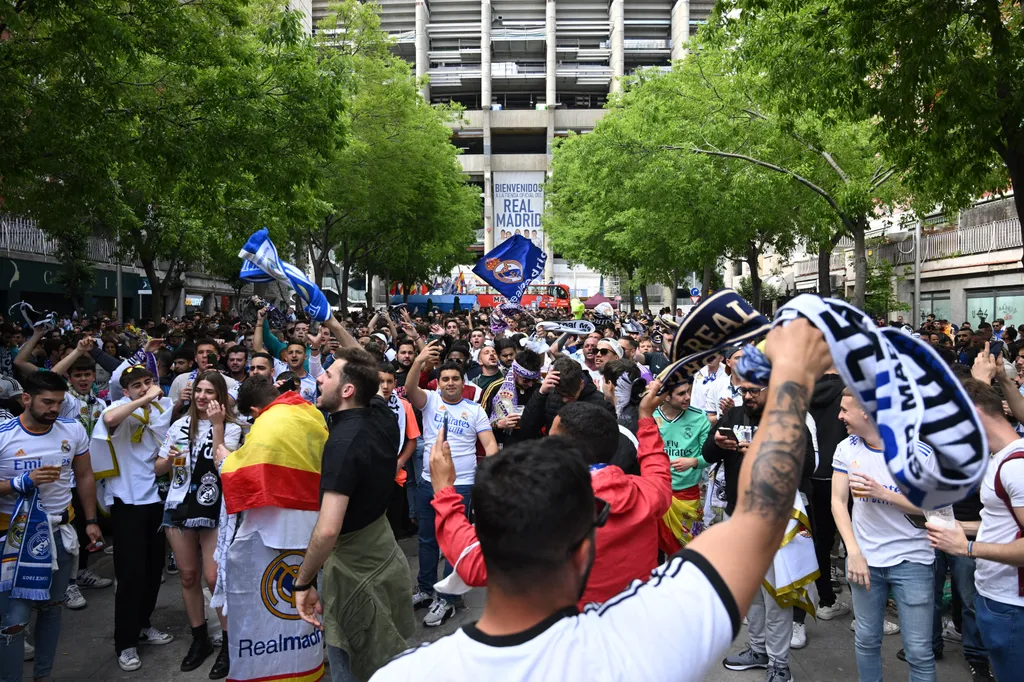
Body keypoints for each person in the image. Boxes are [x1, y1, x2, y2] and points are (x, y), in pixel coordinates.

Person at [369, 319, 833, 682]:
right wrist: (788, 383)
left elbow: (467, 558)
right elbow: (760, 516)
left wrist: (446, 492)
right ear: (584, 549)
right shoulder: (652, 650)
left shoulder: (412, 674)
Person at [426, 383, 672, 608]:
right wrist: (646, 418)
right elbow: (657, 467)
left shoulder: (545, 513)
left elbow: (473, 563)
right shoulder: (649, 494)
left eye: (550, 439)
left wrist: (444, 490)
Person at [292, 347, 415, 682]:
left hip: (354, 577)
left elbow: (328, 530)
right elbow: (367, 369)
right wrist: (330, 322)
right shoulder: (383, 417)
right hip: (385, 557)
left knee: (354, 667)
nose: (318, 376)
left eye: (328, 374)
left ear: (347, 390)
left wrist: (302, 582)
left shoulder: (342, 444)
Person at [217, 375, 329, 682]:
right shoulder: (309, 411)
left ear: (254, 410)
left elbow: (243, 472)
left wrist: (223, 456)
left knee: (285, 603)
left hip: (277, 526)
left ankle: (280, 669)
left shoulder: (268, 423)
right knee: (309, 597)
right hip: (315, 519)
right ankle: (312, 660)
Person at [0, 371, 103, 682]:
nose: (54, 409)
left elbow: (84, 476)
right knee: (14, 621)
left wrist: (92, 521)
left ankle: (43, 675)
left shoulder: (72, 431)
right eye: (47, 402)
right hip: (12, 539)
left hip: (59, 533)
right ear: (27, 399)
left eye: (59, 402)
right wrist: (21, 483)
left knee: (52, 609)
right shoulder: (3, 435)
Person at [831, 390, 936, 682]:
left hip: (913, 561)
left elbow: (935, 509)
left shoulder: (918, 452)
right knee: (866, 640)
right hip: (864, 561)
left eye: (844, 410)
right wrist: (853, 551)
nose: (839, 416)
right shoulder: (847, 448)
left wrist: (885, 494)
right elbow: (838, 502)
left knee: (918, 651)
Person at [927, 376, 1023, 682]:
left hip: (1010, 605)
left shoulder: (1016, 467)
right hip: (996, 596)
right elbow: (1004, 522)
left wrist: (967, 548)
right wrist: (961, 527)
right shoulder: (1001, 459)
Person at [404, 341, 498, 627]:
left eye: (455, 378)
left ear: (462, 382)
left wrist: (490, 476)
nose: (450, 383)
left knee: (454, 543)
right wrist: (419, 361)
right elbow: (409, 391)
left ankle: (448, 599)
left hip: (463, 484)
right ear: (439, 382)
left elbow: (490, 443)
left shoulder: (475, 410)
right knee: (427, 539)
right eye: (445, 378)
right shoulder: (430, 400)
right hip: (428, 482)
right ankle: (425, 588)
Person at [155, 371, 242, 675]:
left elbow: (224, 466)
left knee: (214, 577)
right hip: (178, 507)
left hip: (213, 508)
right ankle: (200, 638)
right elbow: (157, 467)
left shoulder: (231, 428)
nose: (203, 397)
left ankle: (230, 646)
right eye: (199, 391)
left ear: (220, 396)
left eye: (210, 392)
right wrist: (168, 461)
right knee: (189, 577)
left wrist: (217, 426)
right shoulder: (179, 425)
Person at [92, 366, 176, 672]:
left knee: (154, 570)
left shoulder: (160, 412)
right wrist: (144, 400)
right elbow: (110, 421)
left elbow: (157, 464)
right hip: (125, 500)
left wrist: (169, 459)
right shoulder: (117, 408)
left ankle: (143, 624)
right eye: (136, 385)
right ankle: (125, 643)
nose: (144, 388)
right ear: (125, 390)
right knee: (130, 575)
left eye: (148, 382)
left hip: (153, 498)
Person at [653, 379, 711, 552]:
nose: (687, 397)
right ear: (666, 397)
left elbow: (709, 455)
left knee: (688, 551)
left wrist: (694, 462)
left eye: (688, 392)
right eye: (681, 394)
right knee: (654, 549)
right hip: (657, 494)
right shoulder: (651, 417)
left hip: (688, 495)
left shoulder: (699, 418)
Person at [478, 348, 543, 445]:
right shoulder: (495, 388)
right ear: (515, 372)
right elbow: (479, 423)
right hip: (504, 445)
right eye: (526, 380)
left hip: (534, 446)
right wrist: (498, 424)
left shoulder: (540, 388)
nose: (530, 384)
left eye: (534, 380)